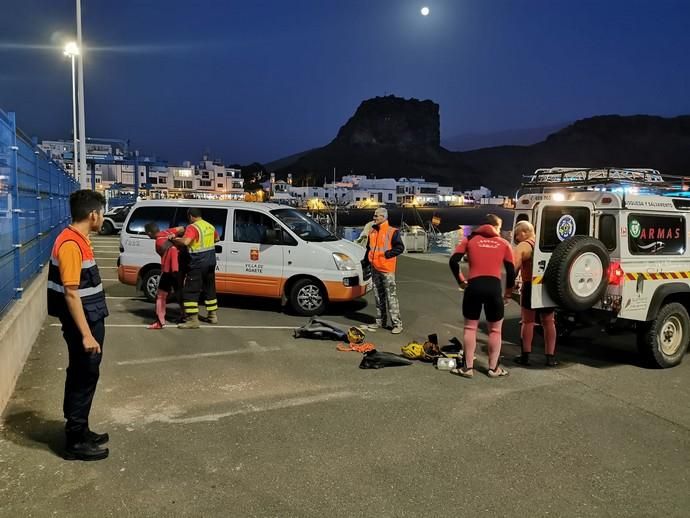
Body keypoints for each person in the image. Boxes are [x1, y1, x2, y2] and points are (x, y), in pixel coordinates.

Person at [47, 190, 110, 461]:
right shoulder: (71, 245)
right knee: (83, 377)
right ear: (93, 214)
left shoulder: (78, 240)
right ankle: (75, 440)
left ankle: (81, 429)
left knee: (85, 376)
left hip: (90, 317)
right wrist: (86, 335)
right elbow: (71, 293)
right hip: (82, 324)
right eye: (102, 212)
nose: (103, 217)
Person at [448, 214, 516, 378]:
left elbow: (453, 261)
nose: (500, 230)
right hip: (494, 288)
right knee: (495, 331)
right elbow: (511, 271)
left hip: (474, 286)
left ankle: (468, 368)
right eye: (499, 227)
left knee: (470, 327)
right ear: (495, 226)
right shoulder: (504, 243)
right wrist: (507, 293)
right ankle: (494, 369)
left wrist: (462, 282)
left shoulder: (469, 240)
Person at [512, 220, 558, 367]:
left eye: (517, 235)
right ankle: (550, 358)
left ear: (524, 232)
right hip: (547, 286)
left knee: (528, 322)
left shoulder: (524, 246)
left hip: (530, 285)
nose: (516, 238)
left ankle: (525, 357)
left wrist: (509, 286)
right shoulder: (546, 243)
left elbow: (514, 266)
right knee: (549, 322)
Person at [172, 208, 219, 329]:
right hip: (211, 262)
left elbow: (186, 242)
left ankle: (192, 320)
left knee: (190, 291)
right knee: (210, 288)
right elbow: (217, 239)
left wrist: (174, 239)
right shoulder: (210, 226)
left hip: (198, 263)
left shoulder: (192, 227)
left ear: (191, 216)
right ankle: (212, 316)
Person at [366, 207, 405, 334]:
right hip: (375, 268)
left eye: (376, 216)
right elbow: (369, 249)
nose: (374, 217)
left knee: (391, 297)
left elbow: (400, 247)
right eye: (374, 215)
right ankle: (380, 321)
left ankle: (397, 324)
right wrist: (365, 262)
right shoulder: (372, 231)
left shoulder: (392, 231)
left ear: (383, 217)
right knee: (378, 296)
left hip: (387, 269)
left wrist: (388, 254)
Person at [144, 222, 185, 329]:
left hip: (168, 270)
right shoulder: (168, 231)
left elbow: (167, 247)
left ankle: (160, 322)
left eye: (147, 234)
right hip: (179, 269)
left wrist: (172, 240)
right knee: (180, 293)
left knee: (161, 295)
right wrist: (174, 236)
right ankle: (185, 316)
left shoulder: (158, 242)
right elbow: (182, 228)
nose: (147, 236)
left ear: (149, 233)